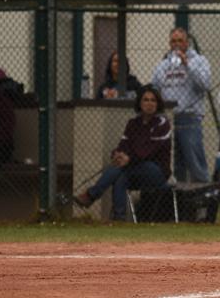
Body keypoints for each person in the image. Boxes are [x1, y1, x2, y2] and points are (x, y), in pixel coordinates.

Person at [73, 85, 171, 220]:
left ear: (158, 103)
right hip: (134, 169)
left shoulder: (162, 123)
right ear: (140, 103)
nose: (149, 103)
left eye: (153, 100)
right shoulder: (133, 123)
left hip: (156, 171)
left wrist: (128, 158)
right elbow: (123, 146)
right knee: (120, 177)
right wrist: (117, 155)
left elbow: (148, 152)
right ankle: (119, 219)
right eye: (146, 100)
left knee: (123, 168)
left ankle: (91, 195)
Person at [151, 27, 211, 183]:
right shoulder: (163, 65)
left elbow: (205, 84)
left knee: (195, 163)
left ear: (187, 42)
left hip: (189, 118)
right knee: (175, 164)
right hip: (168, 119)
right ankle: (179, 201)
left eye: (180, 41)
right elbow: (155, 88)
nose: (176, 44)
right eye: (173, 41)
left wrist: (187, 64)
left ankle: (204, 200)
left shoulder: (199, 61)